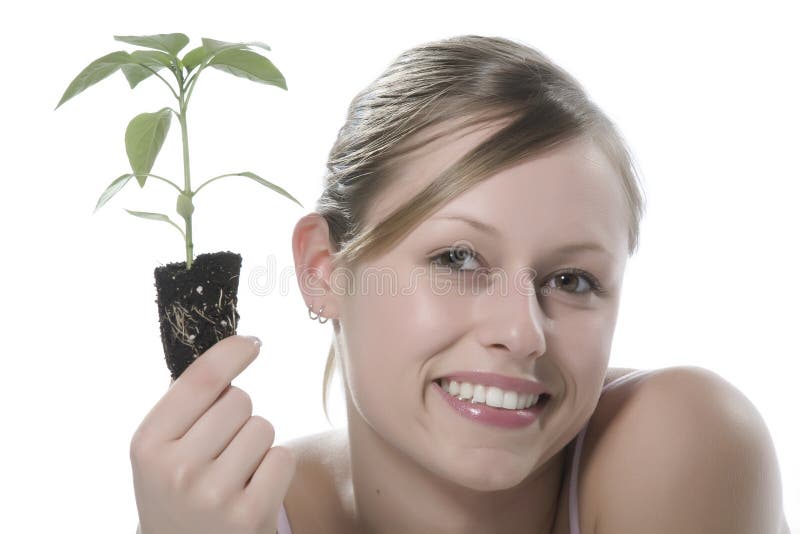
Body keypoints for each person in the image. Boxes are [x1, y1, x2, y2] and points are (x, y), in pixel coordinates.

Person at [130, 35, 790, 534]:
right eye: (457, 259)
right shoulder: (229, 517)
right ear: (324, 271)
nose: (522, 332)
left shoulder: (680, 439)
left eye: (571, 278)